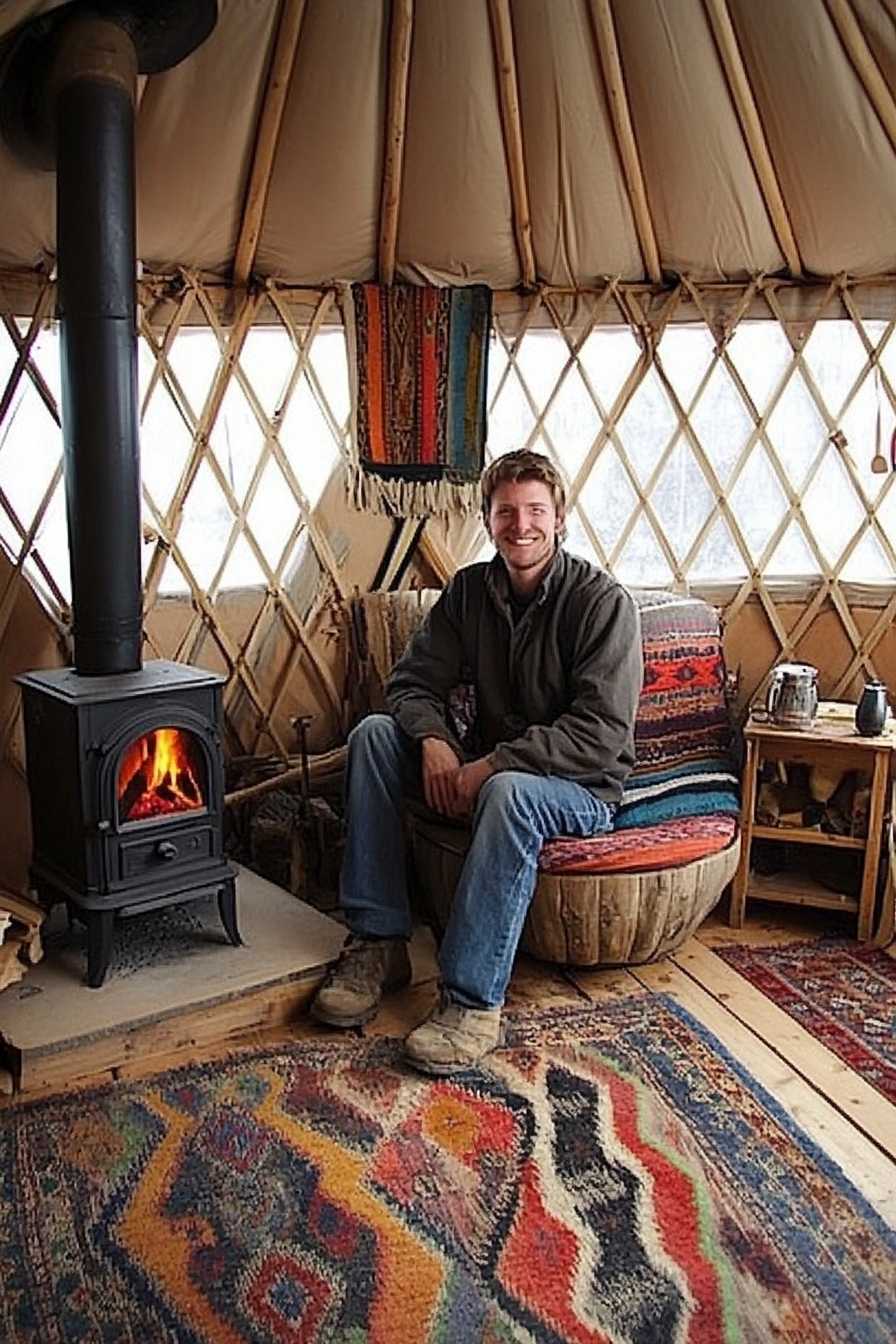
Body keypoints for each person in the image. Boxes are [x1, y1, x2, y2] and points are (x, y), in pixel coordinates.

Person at [310, 448, 643, 1073]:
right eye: (506, 511)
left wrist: (489, 765)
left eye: (536, 511)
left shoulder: (601, 604)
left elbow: (599, 733)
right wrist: (435, 741)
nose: (522, 525)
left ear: (561, 517)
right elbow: (410, 683)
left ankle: (470, 1001)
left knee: (509, 791)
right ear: (487, 518)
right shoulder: (469, 592)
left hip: (580, 788)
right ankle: (380, 944)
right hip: (487, 768)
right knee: (376, 736)